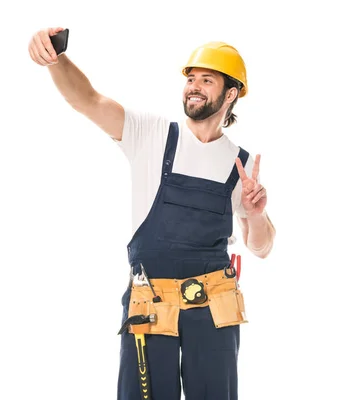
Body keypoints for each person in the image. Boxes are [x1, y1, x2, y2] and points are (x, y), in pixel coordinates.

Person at [28, 27, 276, 400]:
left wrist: (256, 214)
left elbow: (262, 247)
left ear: (231, 93)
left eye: (206, 80)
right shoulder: (152, 134)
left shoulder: (239, 164)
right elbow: (88, 100)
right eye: (190, 78)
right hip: (150, 303)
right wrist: (56, 60)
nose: (194, 86)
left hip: (214, 306)